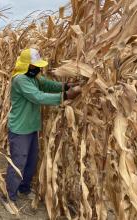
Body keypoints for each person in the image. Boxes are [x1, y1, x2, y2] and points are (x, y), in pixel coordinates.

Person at [5, 48, 81, 202]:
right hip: (20, 129)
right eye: (35, 66)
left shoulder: (34, 78)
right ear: (26, 65)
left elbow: (47, 85)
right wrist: (65, 96)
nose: (38, 69)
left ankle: (24, 188)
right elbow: (37, 96)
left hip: (32, 127)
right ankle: (9, 196)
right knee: (19, 162)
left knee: (31, 161)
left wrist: (66, 86)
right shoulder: (20, 79)